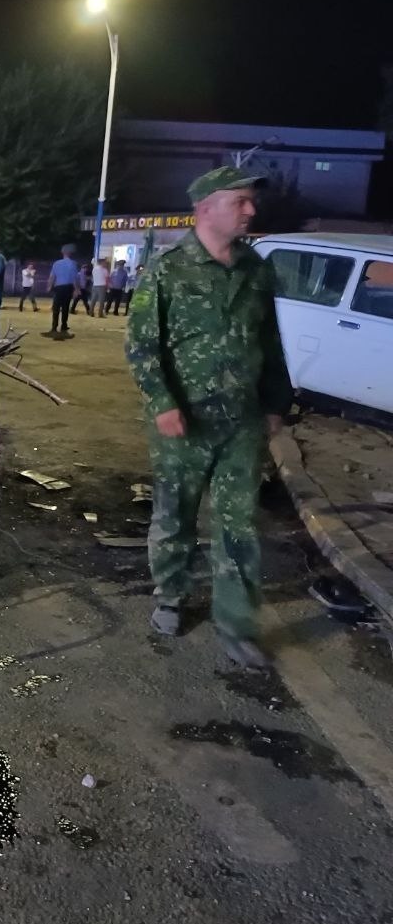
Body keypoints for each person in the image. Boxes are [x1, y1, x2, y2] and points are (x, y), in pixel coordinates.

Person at [125, 167, 291, 670]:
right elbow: (141, 344)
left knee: (238, 523)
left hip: (241, 422)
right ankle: (171, 596)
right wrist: (163, 402)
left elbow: (270, 343)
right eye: (240, 201)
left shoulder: (256, 271)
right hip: (185, 420)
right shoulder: (165, 270)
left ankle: (237, 625)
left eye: (250, 202)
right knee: (175, 513)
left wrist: (275, 404)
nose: (251, 210)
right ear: (205, 208)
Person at [46, 245, 79, 339]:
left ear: (63, 253)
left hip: (58, 287)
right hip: (68, 287)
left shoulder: (57, 263)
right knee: (65, 308)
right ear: (71, 253)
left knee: (56, 308)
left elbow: (52, 277)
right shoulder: (73, 263)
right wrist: (76, 289)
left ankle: (54, 328)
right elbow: (75, 278)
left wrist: (49, 286)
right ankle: (64, 327)